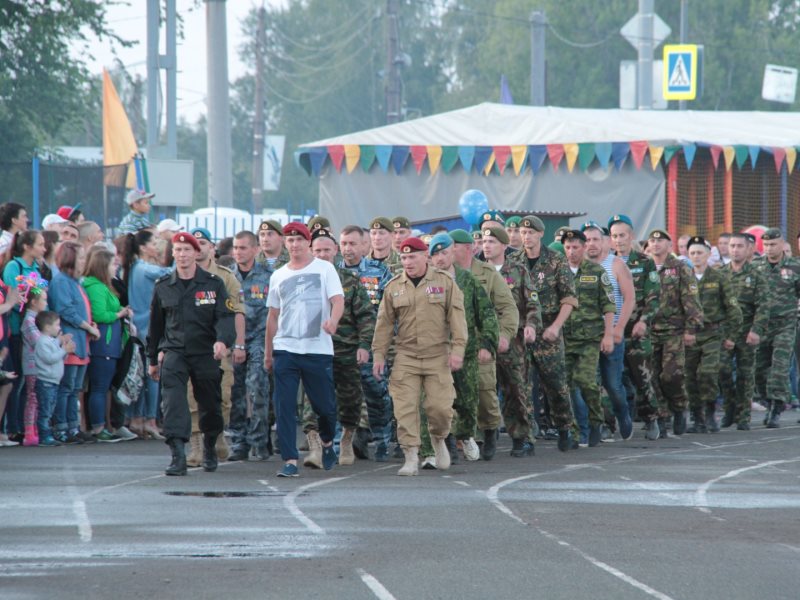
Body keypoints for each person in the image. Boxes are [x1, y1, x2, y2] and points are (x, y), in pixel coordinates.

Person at [372, 236, 467, 476]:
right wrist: (379, 355)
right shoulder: (394, 286)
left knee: (440, 409)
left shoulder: (444, 282)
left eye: (412, 256)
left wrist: (457, 351)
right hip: (407, 355)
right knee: (404, 409)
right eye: (403, 257)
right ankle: (411, 456)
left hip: (437, 355)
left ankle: (438, 438)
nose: (407, 261)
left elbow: (457, 319)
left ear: (425, 256)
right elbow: (383, 323)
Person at [148, 232, 235, 476]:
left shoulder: (213, 283)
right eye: (178, 250)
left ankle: (209, 446)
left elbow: (224, 317)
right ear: (173, 253)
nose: (183, 255)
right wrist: (152, 359)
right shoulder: (164, 286)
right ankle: (177, 455)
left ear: (196, 253)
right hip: (175, 351)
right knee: (173, 402)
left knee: (210, 404)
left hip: (205, 351)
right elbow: (155, 326)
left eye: (187, 250)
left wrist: (222, 341)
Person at [264, 222, 343, 478]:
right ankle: (289, 460)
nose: (294, 244)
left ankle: (328, 441)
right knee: (284, 406)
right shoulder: (278, 275)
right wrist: (268, 352)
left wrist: (333, 321)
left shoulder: (324, 269)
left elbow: (337, 300)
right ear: (285, 244)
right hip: (285, 349)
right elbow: (273, 316)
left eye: (299, 239)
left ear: (308, 242)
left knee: (325, 407)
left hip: (317, 349)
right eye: (290, 240)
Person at [426, 233, 498, 465]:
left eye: (444, 253)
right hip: (435, 353)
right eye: (434, 254)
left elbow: (486, 313)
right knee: (440, 402)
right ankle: (446, 444)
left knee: (467, 401)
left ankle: (465, 435)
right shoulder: (426, 282)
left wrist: (488, 343)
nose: (439, 259)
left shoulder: (467, 280)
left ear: (452, 253)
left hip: (465, 352)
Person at [450, 228, 518, 460]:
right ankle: (455, 440)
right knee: (450, 395)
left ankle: (489, 432)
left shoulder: (487, 273)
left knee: (485, 393)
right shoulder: (444, 274)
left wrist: (503, 336)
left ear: (467, 248)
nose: (448, 251)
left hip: (480, 345)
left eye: (453, 246)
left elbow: (507, 308)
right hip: (451, 347)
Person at [308, 228, 373, 466]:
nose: (323, 254)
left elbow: (366, 316)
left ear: (336, 251)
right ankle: (315, 447)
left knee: (350, 400)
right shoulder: (302, 280)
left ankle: (346, 441)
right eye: (318, 250)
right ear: (310, 252)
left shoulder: (350, 281)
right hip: (312, 351)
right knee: (311, 400)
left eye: (327, 250)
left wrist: (364, 345)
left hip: (344, 351)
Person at [184, 227, 245, 466]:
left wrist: (238, 343)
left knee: (223, 397)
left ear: (212, 248)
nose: (198, 247)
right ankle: (197, 445)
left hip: (219, 347)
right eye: (194, 243)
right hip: (190, 348)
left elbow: (237, 312)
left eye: (203, 243)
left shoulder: (225, 277)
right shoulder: (181, 275)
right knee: (191, 397)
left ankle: (217, 434)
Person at [518, 215, 578, 451]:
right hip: (523, 333)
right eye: (523, 233)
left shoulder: (555, 260)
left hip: (548, 333)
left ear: (540, 234)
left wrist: (556, 327)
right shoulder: (514, 261)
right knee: (522, 386)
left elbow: (569, 298)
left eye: (531, 232)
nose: (526, 237)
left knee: (556, 385)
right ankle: (527, 437)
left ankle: (565, 428)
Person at [481, 227, 541, 455]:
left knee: (517, 390)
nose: (487, 245)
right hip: (484, 340)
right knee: (482, 389)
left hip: (513, 342)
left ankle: (523, 437)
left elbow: (533, 304)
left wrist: (532, 326)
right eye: (485, 241)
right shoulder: (477, 271)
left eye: (492, 242)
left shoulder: (518, 270)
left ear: (504, 246)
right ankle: (483, 436)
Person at [338, 224, 393, 460]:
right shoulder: (331, 272)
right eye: (344, 244)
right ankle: (348, 439)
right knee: (345, 395)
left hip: (372, 343)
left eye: (352, 243)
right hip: (340, 344)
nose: (347, 249)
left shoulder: (379, 272)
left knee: (377, 393)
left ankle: (382, 442)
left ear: (365, 245)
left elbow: (390, 310)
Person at [608, 214, 662, 438]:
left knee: (642, 378)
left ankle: (651, 419)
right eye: (614, 236)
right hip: (611, 333)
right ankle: (610, 423)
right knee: (611, 381)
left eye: (622, 235)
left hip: (635, 333)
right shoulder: (606, 263)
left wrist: (644, 321)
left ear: (631, 236)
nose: (618, 240)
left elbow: (654, 297)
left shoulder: (644, 262)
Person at [561, 230, 616, 447]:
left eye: (575, 247)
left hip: (589, 339)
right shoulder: (560, 271)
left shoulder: (596, 271)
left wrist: (609, 334)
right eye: (567, 247)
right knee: (566, 386)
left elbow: (609, 305)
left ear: (584, 248)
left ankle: (596, 421)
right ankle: (574, 432)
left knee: (586, 382)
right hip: (565, 338)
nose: (571, 251)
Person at [647, 229, 704, 435]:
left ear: (669, 245)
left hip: (674, 330)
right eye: (652, 241)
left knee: (671, 375)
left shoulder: (680, 268)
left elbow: (691, 299)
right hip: (648, 330)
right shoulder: (644, 267)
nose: (655, 244)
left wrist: (691, 328)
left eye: (660, 241)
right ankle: (663, 415)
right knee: (651, 376)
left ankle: (679, 407)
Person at [582, 222, 636, 441]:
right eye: (586, 240)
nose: (591, 244)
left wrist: (619, 328)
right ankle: (597, 427)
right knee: (588, 384)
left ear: (605, 241)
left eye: (596, 239)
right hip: (587, 336)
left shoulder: (616, 265)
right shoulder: (579, 267)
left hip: (612, 334)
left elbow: (629, 298)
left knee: (612, 385)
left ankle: (623, 413)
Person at [683, 237, 741, 433]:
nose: (696, 257)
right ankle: (697, 417)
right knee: (690, 376)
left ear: (708, 255)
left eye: (700, 253)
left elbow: (733, 309)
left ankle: (709, 412)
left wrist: (732, 336)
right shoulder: (684, 278)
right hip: (689, 335)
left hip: (712, 333)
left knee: (708, 373)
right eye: (692, 253)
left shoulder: (719, 278)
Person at [118, 229, 172, 438]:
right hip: (148, 329)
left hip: (138, 328)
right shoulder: (145, 268)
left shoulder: (134, 267)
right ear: (143, 247)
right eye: (154, 242)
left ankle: (137, 418)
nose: (158, 245)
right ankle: (149, 418)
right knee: (152, 374)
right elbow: (172, 272)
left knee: (140, 374)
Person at [228, 230, 272, 462]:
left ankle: (259, 441)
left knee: (257, 390)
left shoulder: (268, 276)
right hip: (234, 341)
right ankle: (238, 442)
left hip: (260, 340)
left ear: (256, 250)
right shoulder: (228, 277)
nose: (238, 252)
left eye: (243, 248)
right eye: (235, 247)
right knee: (235, 392)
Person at [49, 241, 98, 444]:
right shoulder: (61, 281)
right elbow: (66, 310)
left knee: (75, 388)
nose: (83, 262)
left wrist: (89, 325)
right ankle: (61, 428)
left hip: (81, 342)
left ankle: (73, 426)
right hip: (71, 341)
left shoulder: (76, 282)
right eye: (80, 257)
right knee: (67, 387)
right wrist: (88, 326)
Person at [82, 249, 132, 442]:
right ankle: (98, 427)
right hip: (103, 344)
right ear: (103, 266)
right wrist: (120, 314)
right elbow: (100, 314)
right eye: (113, 264)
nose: (116, 267)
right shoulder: (95, 286)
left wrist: (121, 309)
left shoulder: (103, 286)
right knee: (99, 387)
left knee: (102, 387)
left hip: (109, 344)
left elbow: (111, 306)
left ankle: (102, 426)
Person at [719, 233, 768, 430]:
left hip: (748, 332)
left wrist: (756, 330)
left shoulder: (756, 275)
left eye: (740, 246)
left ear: (748, 249)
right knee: (722, 370)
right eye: (732, 246)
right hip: (726, 332)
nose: (735, 250)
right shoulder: (720, 273)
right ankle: (730, 407)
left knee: (745, 374)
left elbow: (764, 305)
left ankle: (743, 415)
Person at [752, 228, 800, 428]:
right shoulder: (755, 267)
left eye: (773, 244)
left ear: (782, 245)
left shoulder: (795, 266)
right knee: (759, 370)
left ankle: (776, 406)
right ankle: (767, 398)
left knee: (779, 368)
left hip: (786, 324)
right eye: (766, 245)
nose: (770, 248)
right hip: (761, 325)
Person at [2, 230, 45, 443]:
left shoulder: (36, 268)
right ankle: (12, 426)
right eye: (39, 244)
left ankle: (21, 425)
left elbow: (41, 296)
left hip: (34, 329)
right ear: (27, 246)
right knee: (16, 380)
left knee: (28, 383)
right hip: (17, 330)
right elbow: (13, 297)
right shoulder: (14, 267)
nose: (43, 249)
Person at [34, 311, 75, 446]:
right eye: (57, 325)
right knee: (45, 411)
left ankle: (48, 434)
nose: (59, 328)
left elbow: (57, 356)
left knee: (50, 410)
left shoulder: (50, 341)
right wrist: (64, 350)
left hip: (53, 382)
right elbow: (50, 359)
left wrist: (63, 346)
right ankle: (44, 436)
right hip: (45, 382)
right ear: (47, 327)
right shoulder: (42, 342)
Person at [19, 273, 49, 446]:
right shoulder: (29, 321)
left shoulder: (34, 320)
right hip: (32, 366)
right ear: (34, 302)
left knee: (36, 398)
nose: (45, 303)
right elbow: (38, 342)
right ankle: (29, 432)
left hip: (38, 365)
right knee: (33, 398)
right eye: (43, 300)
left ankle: (34, 430)